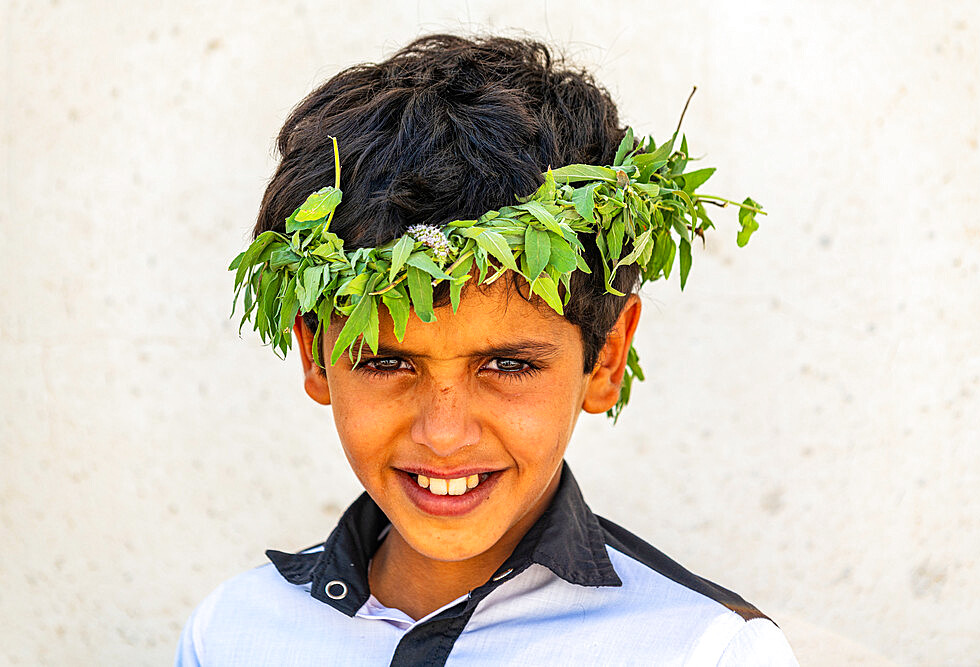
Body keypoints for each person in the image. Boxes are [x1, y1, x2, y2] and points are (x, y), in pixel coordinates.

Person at [177, 34, 798, 666]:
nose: (444, 435)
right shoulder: (232, 635)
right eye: (388, 361)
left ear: (605, 359)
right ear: (315, 357)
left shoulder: (702, 652)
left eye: (508, 365)